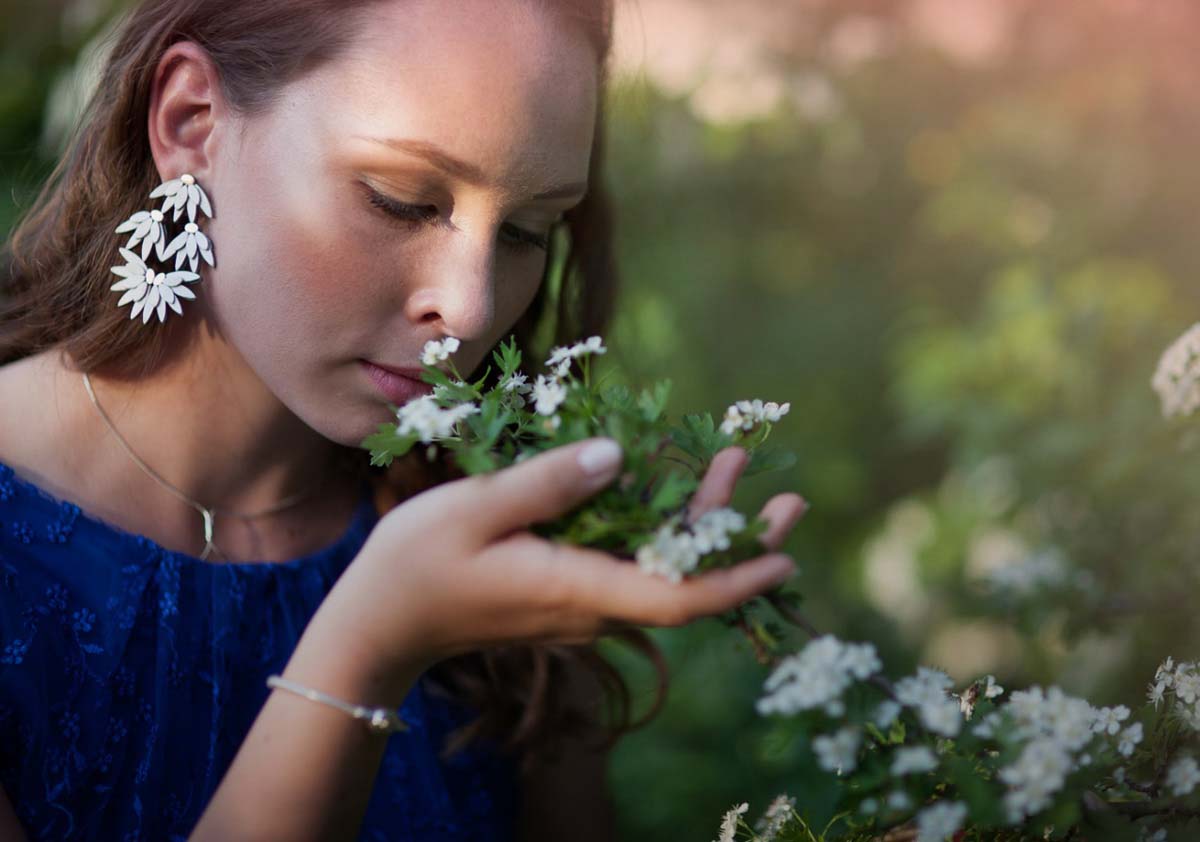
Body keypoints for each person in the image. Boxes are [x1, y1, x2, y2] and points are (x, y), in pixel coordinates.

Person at [0, 0, 806, 839]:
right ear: (192, 122)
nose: (471, 308)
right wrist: (369, 648)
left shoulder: (482, 509)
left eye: (526, 231)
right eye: (401, 201)